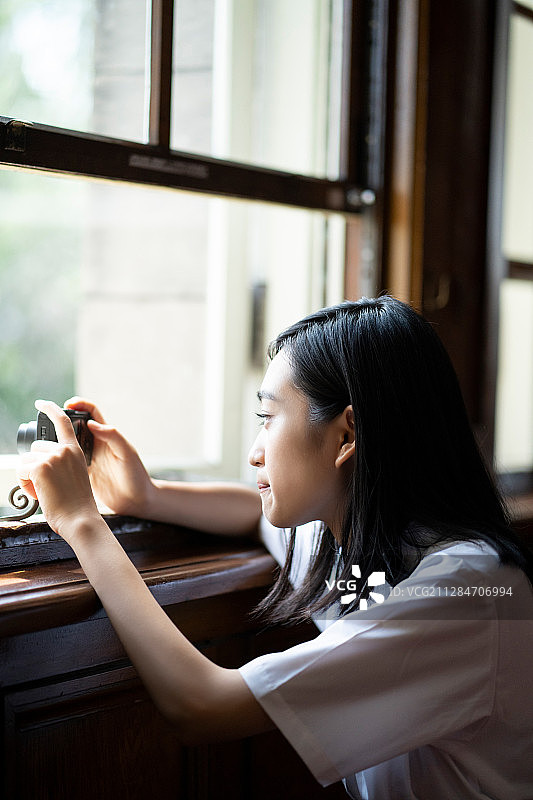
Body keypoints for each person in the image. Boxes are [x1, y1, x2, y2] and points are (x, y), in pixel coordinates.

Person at [17, 296, 533, 800]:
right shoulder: (361, 540)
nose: (254, 452)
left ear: (346, 435)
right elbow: (251, 510)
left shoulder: (466, 594)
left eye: (267, 418)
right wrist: (147, 495)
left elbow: (202, 706)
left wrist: (82, 522)